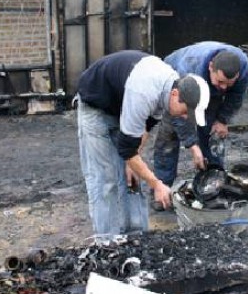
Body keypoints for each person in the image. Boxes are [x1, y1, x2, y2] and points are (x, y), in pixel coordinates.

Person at [75, 50, 210, 236]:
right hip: (96, 106)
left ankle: (137, 236)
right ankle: (108, 242)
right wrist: (156, 184)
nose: (185, 117)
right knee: (106, 180)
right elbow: (126, 148)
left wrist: (133, 162)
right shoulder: (145, 91)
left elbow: (144, 129)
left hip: (122, 104)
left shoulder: (167, 90)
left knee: (133, 176)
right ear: (175, 94)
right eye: (186, 111)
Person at [152, 41, 248, 203]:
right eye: (220, 82)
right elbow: (180, 118)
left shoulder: (243, 67)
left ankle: (212, 187)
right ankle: (162, 191)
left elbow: (236, 96)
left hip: (207, 87)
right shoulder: (188, 67)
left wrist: (222, 120)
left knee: (213, 135)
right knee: (169, 138)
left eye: (228, 84)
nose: (224, 87)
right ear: (211, 66)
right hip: (179, 84)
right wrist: (193, 146)